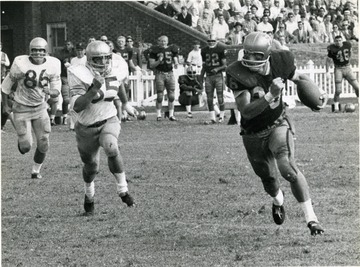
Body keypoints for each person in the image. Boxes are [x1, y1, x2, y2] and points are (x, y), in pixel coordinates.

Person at [225, 32, 326, 236]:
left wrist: (316, 94)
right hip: (252, 132)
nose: (250, 59)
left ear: (266, 54)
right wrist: (271, 94)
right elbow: (246, 111)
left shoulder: (281, 61)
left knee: (287, 167)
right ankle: (278, 200)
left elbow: (299, 77)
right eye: (248, 54)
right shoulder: (238, 73)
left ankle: (311, 219)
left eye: (256, 55)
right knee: (269, 180)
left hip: (277, 123)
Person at [68, 41, 138, 215]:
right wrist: (93, 90)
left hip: (109, 118)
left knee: (111, 147)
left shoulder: (116, 67)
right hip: (86, 126)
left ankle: (123, 190)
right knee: (91, 167)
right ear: (90, 60)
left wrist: (126, 103)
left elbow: (118, 83)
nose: (104, 63)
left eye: (107, 58)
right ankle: (89, 195)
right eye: (99, 59)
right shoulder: (79, 73)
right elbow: (77, 107)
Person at [1, 37, 61, 179]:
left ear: (46, 51)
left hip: (40, 108)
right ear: (30, 51)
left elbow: (56, 89)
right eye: (34, 50)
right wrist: (5, 105)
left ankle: (35, 170)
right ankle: (22, 141)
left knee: (44, 142)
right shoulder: (20, 64)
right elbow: (5, 87)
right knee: (26, 146)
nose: (38, 53)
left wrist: (51, 92)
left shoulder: (53, 65)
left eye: (41, 50)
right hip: (21, 108)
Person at [149, 35, 179, 121]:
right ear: (158, 41)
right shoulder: (155, 50)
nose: (163, 43)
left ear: (167, 41)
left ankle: (171, 115)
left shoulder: (172, 49)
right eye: (161, 41)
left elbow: (175, 57)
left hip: (170, 73)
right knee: (159, 96)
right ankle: (158, 115)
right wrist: (159, 60)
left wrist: (176, 62)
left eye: (165, 41)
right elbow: (151, 65)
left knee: (172, 95)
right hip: (160, 74)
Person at [326, 35, 359, 113]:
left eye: (340, 40)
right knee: (338, 90)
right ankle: (336, 107)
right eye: (336, 41)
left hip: (347, 68)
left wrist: (348, 60)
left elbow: (350, 52)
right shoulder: (332, 48)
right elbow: (328, 61)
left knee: (357, 87)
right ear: (334, 41)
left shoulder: (347, 44)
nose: (338, 42)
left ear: (342, 40)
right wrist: (327, 71)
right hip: (338, 69)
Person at [199, 37, 227, 124]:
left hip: (218, 75)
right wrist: (201, 76)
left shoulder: (220, 49)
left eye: (213, 41)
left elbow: (225, 65)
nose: (211, 42)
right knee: (209, 98)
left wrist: (217, 69)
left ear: (216, 41)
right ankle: (212, 118)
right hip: (208, 76)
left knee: (220, 97)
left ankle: (221, 116)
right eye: (209, 41)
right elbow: (204, 65)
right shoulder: (203, 50)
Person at [54, 40, 76, 126]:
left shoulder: (74, 54)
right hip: (64, 77)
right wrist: (63, 61)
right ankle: (64, 117)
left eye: (69, 44)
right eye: (66, 44)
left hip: (74, 77)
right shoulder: (61, 53)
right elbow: (58, 60)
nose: (67, 46)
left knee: (75, 98)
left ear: (72, 45)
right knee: (66, 98)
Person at [1, 41, 12, 130]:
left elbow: (8, 63)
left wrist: (2, 62)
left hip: (2, 75)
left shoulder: (4, 55)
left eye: (0, 46)